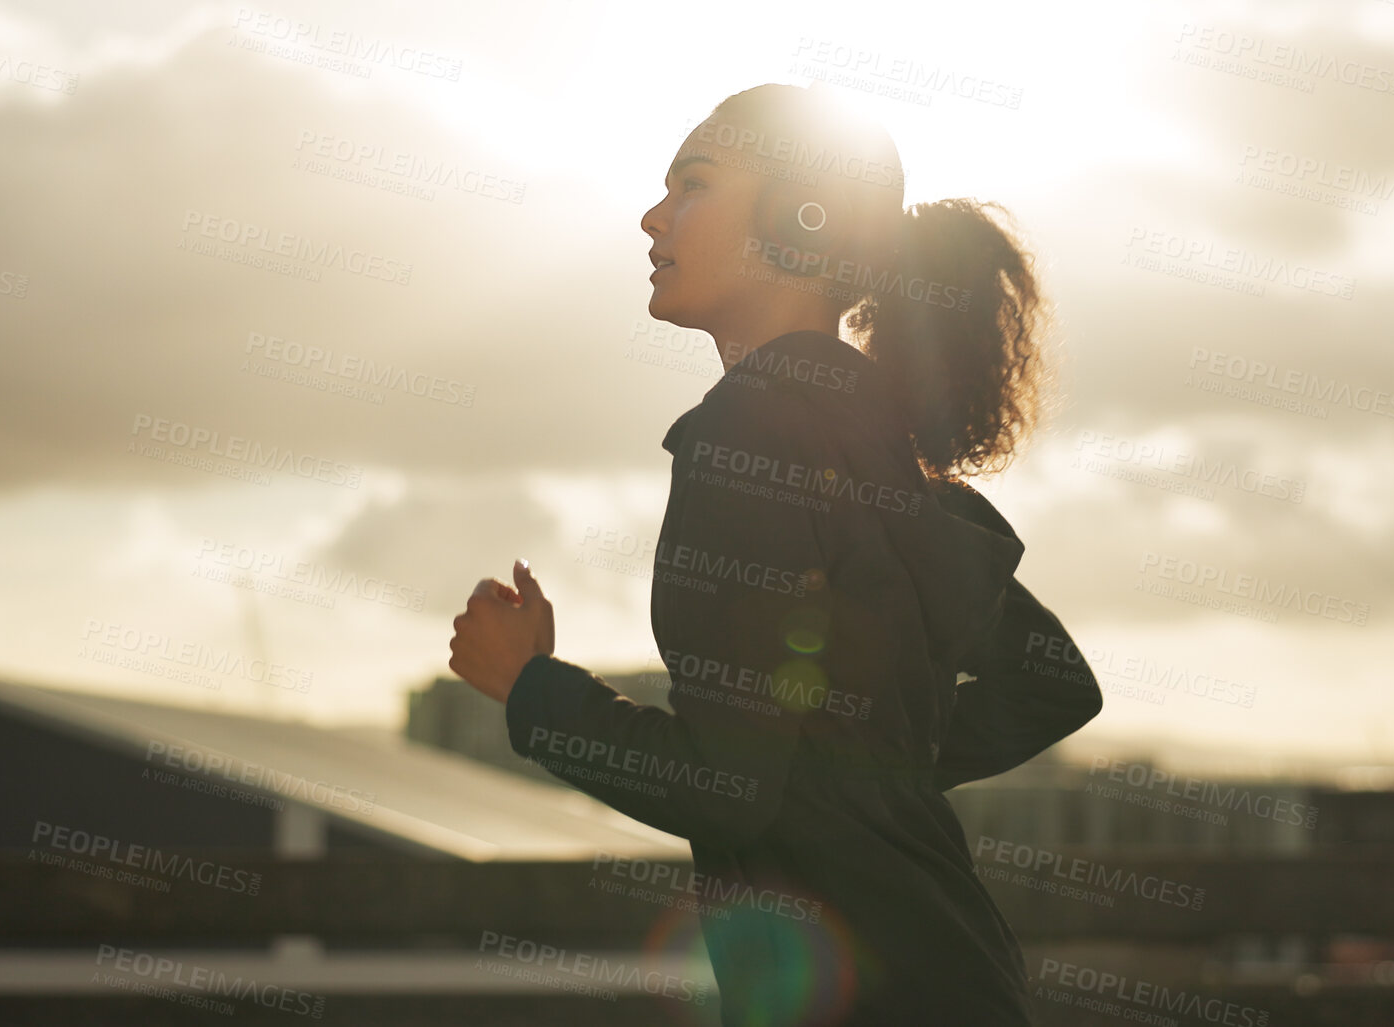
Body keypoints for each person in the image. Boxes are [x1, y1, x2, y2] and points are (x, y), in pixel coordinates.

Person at [450, 82, 1103, 1026]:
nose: (653, 215)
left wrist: (531, 689)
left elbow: (726, 786)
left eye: (693, 185)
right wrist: (860, 780)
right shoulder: (888, 459)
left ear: (803, 222)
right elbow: (1052, 684)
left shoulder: (744, 435)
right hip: (954, 970)